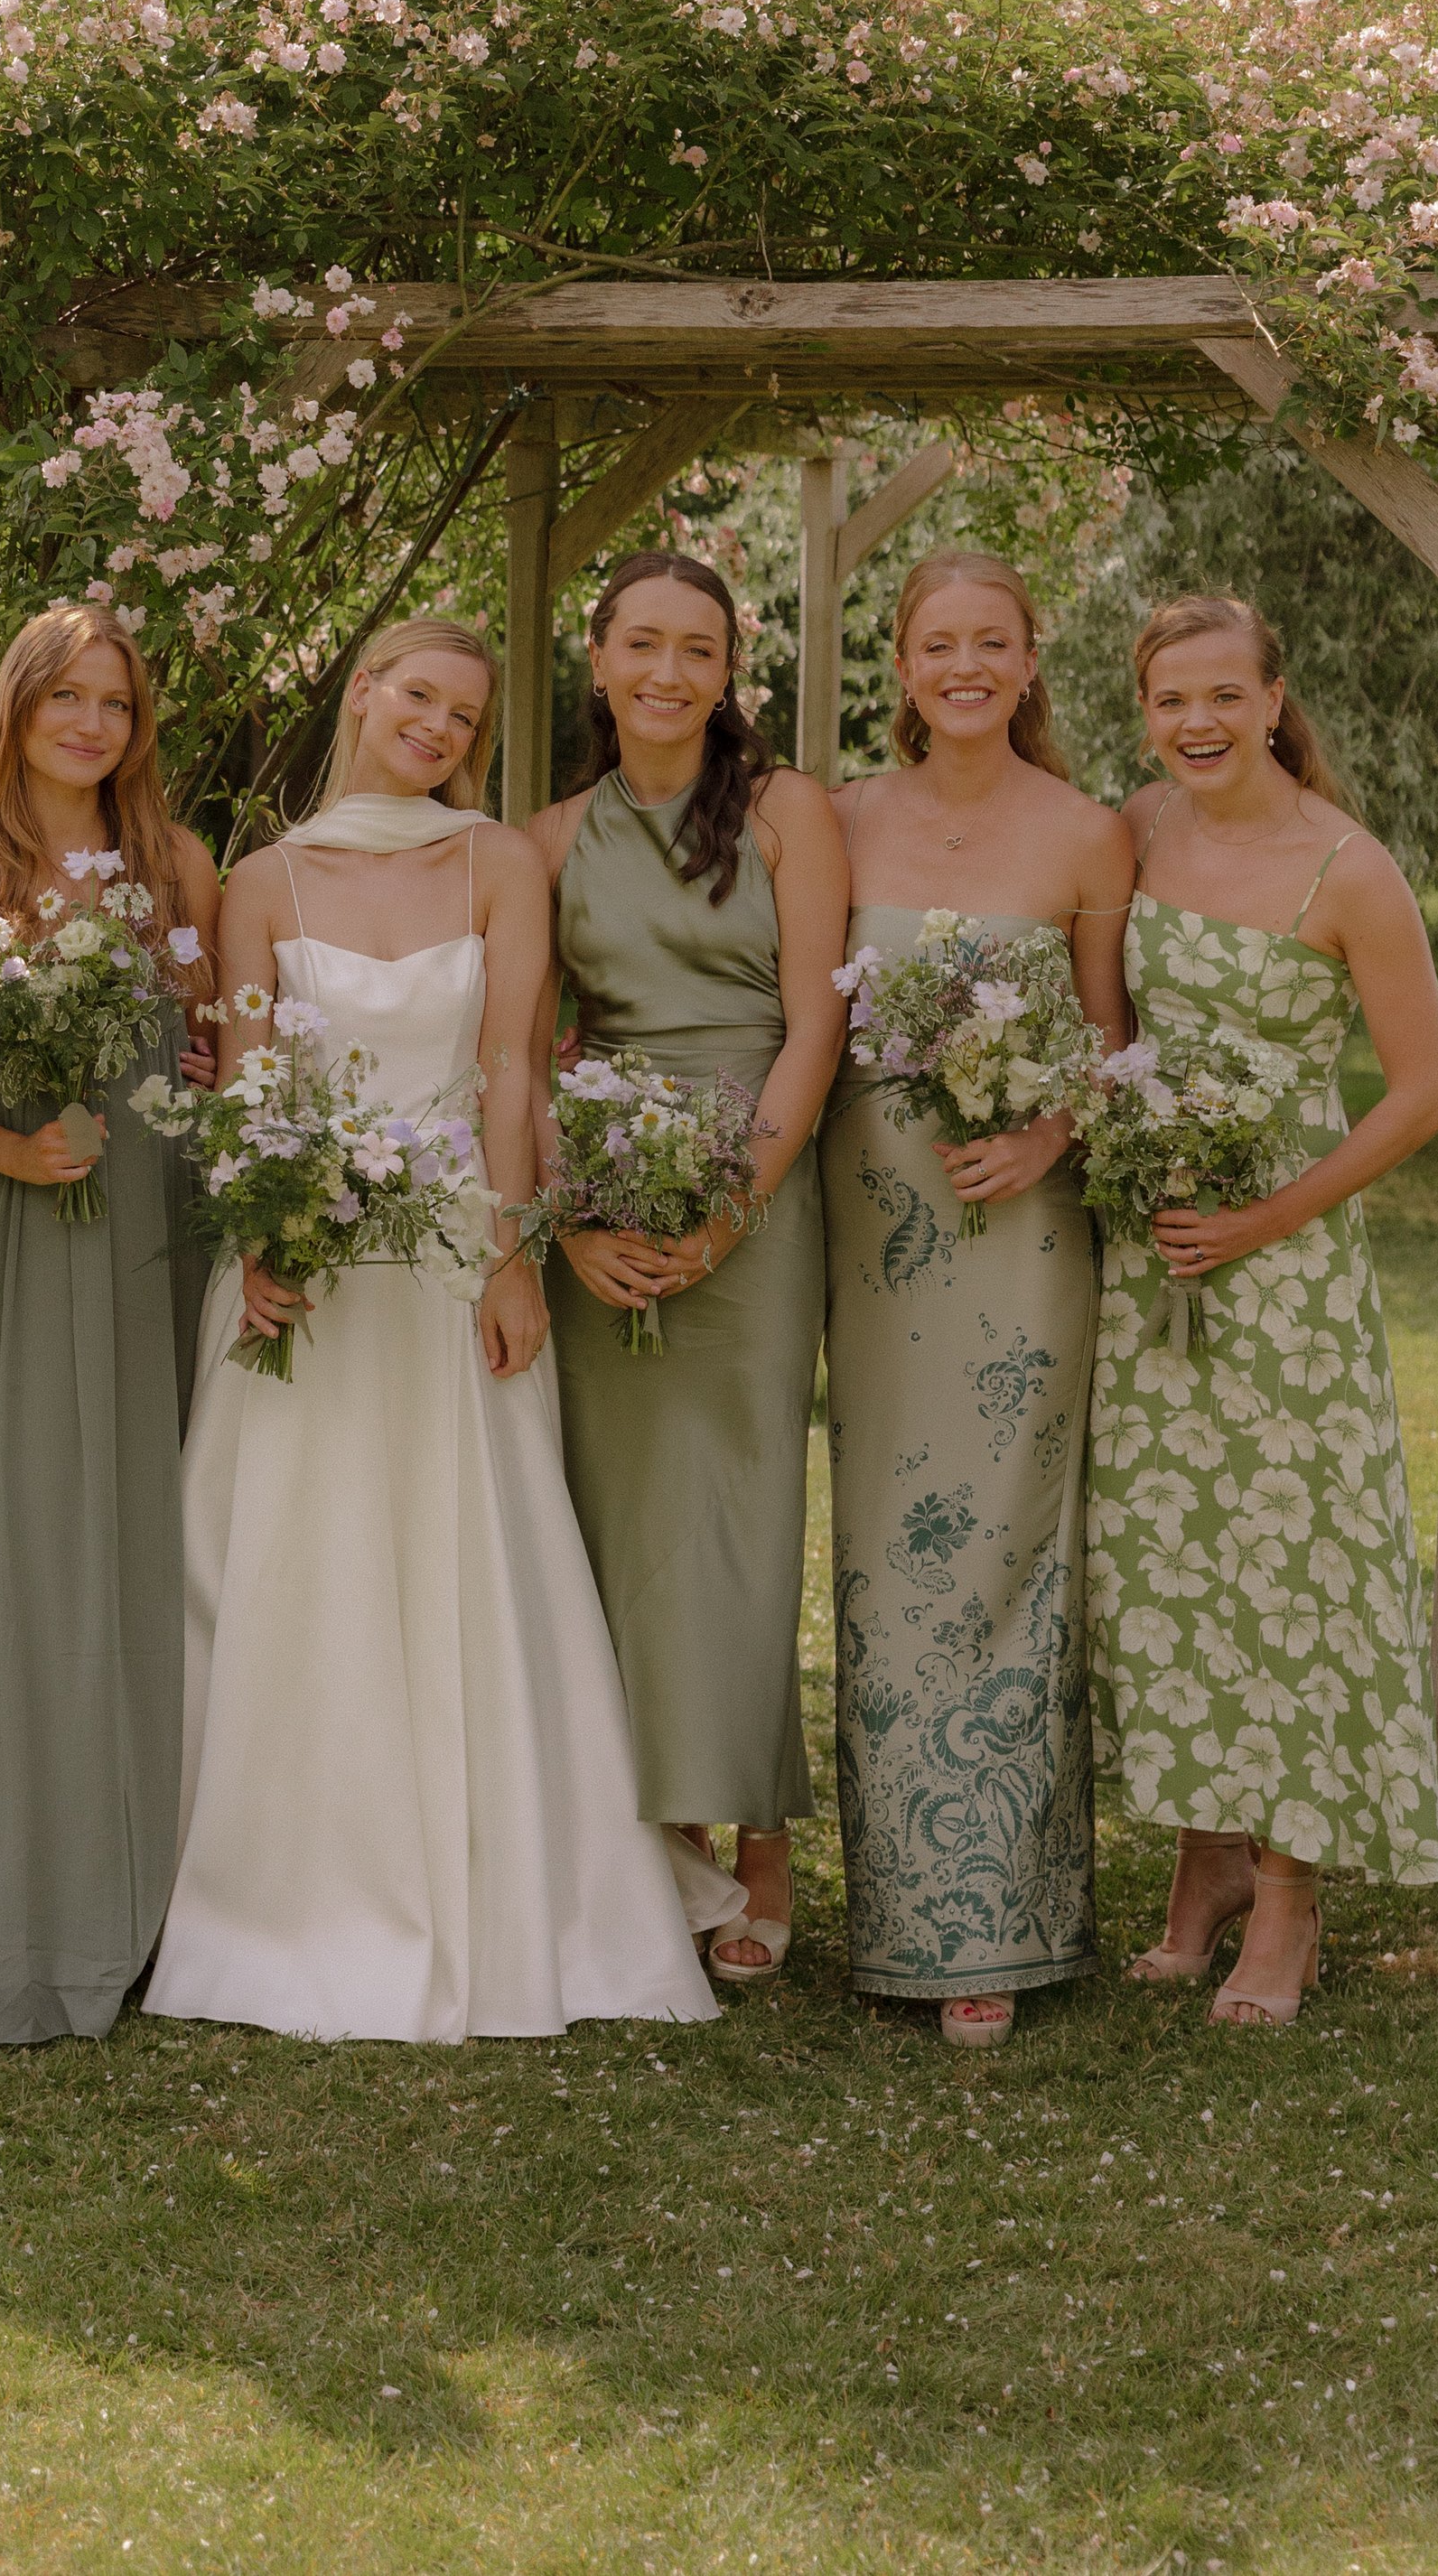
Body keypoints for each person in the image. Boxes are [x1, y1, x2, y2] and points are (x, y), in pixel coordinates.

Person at [145, 617, 742, 2041]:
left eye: (467, 716)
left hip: (452, 1269)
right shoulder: (263, 880)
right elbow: (249, 1076)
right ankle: (265, 1889)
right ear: (365, 693)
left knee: (474, 1558)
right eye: (420, 695)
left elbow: (510, 1067)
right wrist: (267, 1245)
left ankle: (511, 1885)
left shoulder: (497, 864)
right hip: (308, 1271)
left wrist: (511, 1256)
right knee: (289, 1565)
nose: (440, 727)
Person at [1088, 593, 1438, 2026]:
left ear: (1274, 694)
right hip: (1155, 1252)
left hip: (1284, 1272)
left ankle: (1291, 1895)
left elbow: (1422, 1091)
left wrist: (1260, 1217)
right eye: (1171, 698)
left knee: (1292, 1565)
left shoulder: (1347, 869)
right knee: (1169, 1559)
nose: (1196, 722)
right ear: (1146, 710)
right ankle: (1203, 1865)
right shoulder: (1143, 827)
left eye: (1222, 696)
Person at [0, 605, 220, 2042]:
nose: (91, 722)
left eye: (115, 701)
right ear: (15, 710)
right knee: (23, 1556)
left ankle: (159, 1907)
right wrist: (8, 1151)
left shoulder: (175, 867)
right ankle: (19, 1903)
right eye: (64, 696)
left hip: (159, 1235)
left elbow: (217, 1049)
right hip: (25, 1241)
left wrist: (200, 1051)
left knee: (155, 1552)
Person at [824, 549, 1134, 2046]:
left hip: (1023, 1241)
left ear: (1027, 662)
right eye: (936, 641)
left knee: (1011, 1544)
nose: (962, 664)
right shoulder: (837, 818)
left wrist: (1050, 1127)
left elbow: (1111, 1042)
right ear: (902, 665)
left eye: (989, 642)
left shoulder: (1088, 835)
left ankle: (996, 1927)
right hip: (870, 1234)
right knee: (887, 1549)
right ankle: (891, 1906)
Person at [531, 552, 847, 1983]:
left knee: (742, 1516)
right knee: (611, 1525)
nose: (668, 673)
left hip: (756, 1188)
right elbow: (528, 1055)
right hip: (601, 1195)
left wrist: (733, 1212)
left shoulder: (789, 815)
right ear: (597, 659)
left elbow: (813, 1028)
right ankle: (653, 1851)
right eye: (641, 644)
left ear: (732, 672)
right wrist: (573, 1217)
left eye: (698, 650)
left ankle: (764, 1843)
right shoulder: (540, 842)